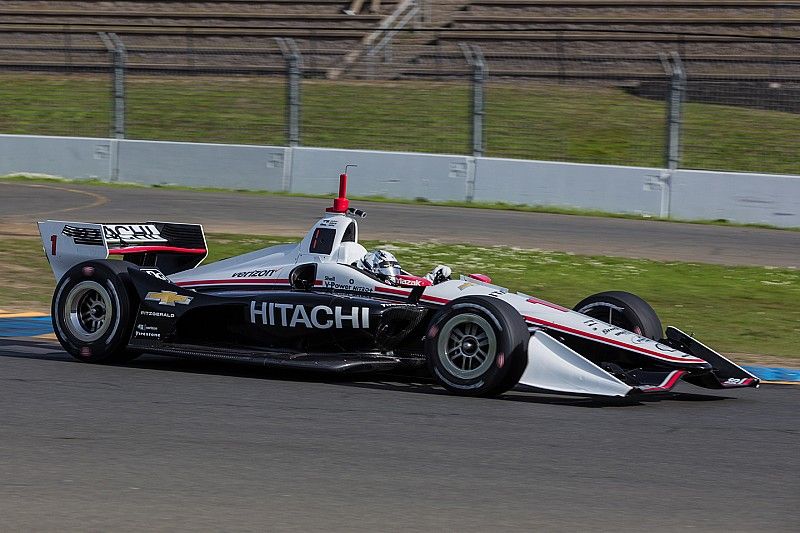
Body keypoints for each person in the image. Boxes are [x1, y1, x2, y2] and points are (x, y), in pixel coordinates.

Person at [358, 249, 452, 286]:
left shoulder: (395, 282)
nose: (392, 276)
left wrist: (432, 278)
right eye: (385, 270)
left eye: (394, 270)